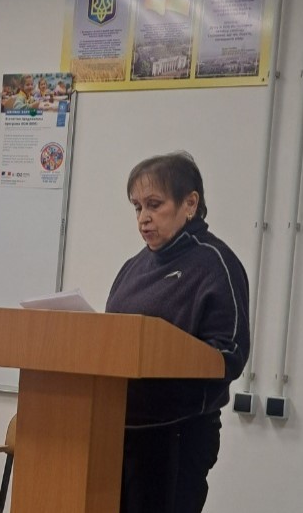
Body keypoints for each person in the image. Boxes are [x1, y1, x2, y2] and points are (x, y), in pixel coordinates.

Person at [106, 151, 250, 513]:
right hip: (118, 429)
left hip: (177, 433)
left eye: (154, 205)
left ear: (190, 204)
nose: (143, 217)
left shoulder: (215, 263)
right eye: (137, 207)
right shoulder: (133, 267)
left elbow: (228, 354)